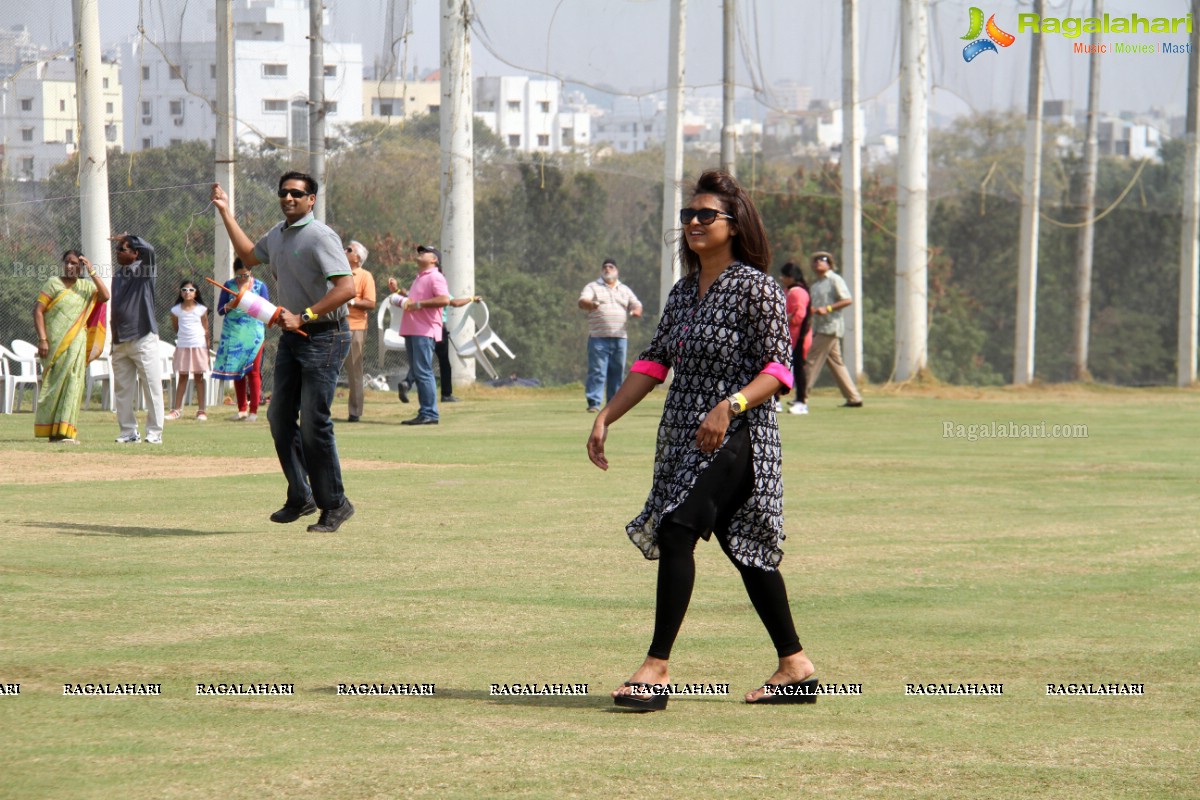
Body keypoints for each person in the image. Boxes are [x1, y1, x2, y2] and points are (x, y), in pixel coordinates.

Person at [587, 169, 818, 712]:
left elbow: (779, 371)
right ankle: (795, 665)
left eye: (705, 215)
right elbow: (653, 361)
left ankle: (656, 668)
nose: (692, 222)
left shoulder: (757, 286)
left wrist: (730, 404)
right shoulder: (683, 291)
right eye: (688, 215)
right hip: (684, 435)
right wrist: (606, 416)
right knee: (748, 552)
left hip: (738, 433)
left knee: (677, 528)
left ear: (734, 226)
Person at [211, 172, 357, 533]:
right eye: (283, 192)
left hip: (325, 335)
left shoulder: (320, 236)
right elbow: (248, 254)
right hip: (294, 336)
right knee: (278, 418)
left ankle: (335, 504)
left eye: (297, 193)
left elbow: (347, 287)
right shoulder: (277, 234)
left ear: (311, 200)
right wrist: (226, 212)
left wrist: (305, 314)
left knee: (313, 424)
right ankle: (301, 495)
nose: (288, 198)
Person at [32, 249, 110, 443]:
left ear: (81, 266)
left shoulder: (85, 286)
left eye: (75, 263)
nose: (69, 266)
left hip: (76, 343)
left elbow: (105, 295)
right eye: (67, 262)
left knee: (73, 384)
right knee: (54, 386)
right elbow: (38, 311)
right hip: (54, 344)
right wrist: (42, 339)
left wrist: (92, 271)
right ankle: (52, 430)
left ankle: (65, 431)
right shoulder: (53, 283)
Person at [110, 233, 165, 445]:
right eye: (117, 249)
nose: (117, 252)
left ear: (135, 254)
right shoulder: (118, 275)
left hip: (142, 336)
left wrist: (130, 237)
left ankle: (154, 433)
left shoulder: (145, 270)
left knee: (151, 387)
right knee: (123, 390)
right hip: (120, 339)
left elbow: (150, 249)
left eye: (122, 249)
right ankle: (128, 432)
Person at [386, 244, 449, 426]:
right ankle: (425, 412)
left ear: (434, 259)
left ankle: (430, 413)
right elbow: (413, 301)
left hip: (424, 330)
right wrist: (398, 293)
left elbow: (444, 299)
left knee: (423, 372)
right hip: (413, 329)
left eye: (424, 252)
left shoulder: (435, 276)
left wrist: (418, 305)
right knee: (420, 371)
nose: (420, 254)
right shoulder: (420, 277)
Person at [579, 259, 642, 412]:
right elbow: (582, 301)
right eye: (605, 267)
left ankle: (613, 404)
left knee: (617, 370)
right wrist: (591, 304)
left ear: (616, 271)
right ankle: (594, 403)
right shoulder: (593, 287)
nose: (607, 269)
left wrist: (635, 310)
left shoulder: (624, 289)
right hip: (598, 337)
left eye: (611, 267)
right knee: (598, 370)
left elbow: (636, 304)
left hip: (620, 337)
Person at [804, 251, 863, 408]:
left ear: (829, 264)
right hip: (820, 327)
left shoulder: (835, 279)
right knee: (837, 364)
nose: (818, 262)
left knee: (811, 361)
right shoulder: (816, 285)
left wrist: (828, 308)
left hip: (830, 327)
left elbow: (847, 299)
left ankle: (801, 397)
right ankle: (854, 397)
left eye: (822, 260)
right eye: (815, 260)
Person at [212, 259, 268, 422]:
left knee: (253, 372)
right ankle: (242, 409)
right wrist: (232, 303)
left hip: (254, 334)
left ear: (251, 272)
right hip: (234, 334)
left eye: (246, 274)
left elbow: (265, 308)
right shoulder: (228, 285)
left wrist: (247, 301)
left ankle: (254, 411)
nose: (243, 278)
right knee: (238, 373)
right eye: (239, 275)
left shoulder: (260, 286)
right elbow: (221, 310)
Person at [166, 279, 211, 421]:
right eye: (184, 290)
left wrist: (207, 350)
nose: (187, 292)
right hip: (183, 346)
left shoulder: (201, 310)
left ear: (196, 293)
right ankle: (176, 410)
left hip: (199, 346)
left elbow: (206, 330)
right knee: (182, 377)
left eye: (191, 290)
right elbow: (176, 327)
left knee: (199, 377)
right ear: (180, 292)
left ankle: (201, 410)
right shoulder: (176, 310)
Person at [343, 240, 377, 422]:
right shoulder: (336, 274)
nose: (344, 250)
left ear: (357, 258)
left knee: (355, 370)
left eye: (349, 249)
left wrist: (351, 301)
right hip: (333, 326)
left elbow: (370, 303)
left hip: (355, 327)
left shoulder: (365, 276)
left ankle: (355, 412)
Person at [779, 262, 813, 415]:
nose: (781, 278)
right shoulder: (788, 291)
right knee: (782, 368)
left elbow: (798, 315)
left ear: (791, 277)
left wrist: (783, 319)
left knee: (798, 370)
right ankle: (776, 399)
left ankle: (801, 402)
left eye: (784, 276)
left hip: (799, 337)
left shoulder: (797, 292)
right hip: (789, 338)